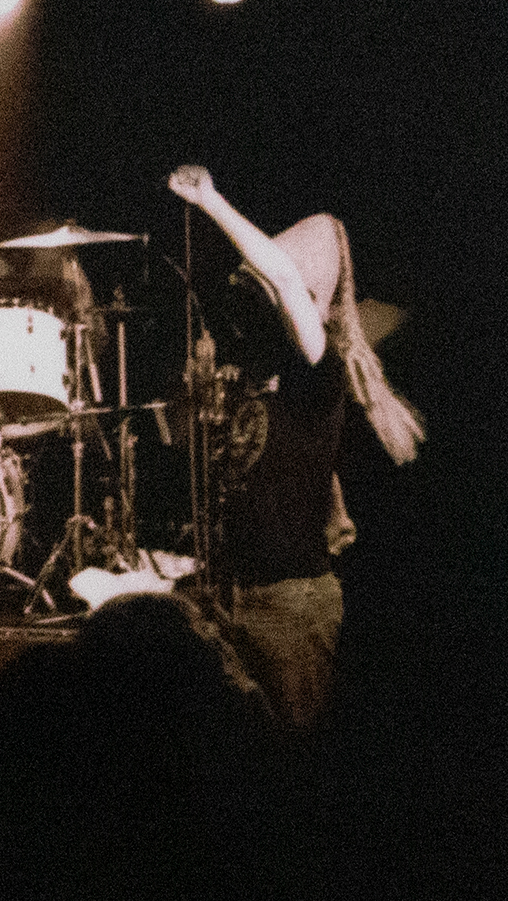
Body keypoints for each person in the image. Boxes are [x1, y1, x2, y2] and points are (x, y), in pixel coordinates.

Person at [167, 165, 422, 731]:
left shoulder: (318, 371)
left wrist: (211, 201)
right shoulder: (253, 379)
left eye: (258, 294)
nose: (247, 304)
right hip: (235, 599)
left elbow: (283, 278)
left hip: (289, 610)